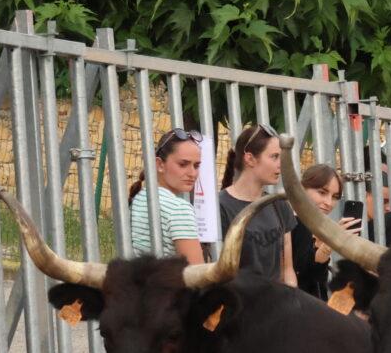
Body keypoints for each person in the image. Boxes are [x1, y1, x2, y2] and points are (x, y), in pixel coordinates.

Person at [218, 124, 298, 286]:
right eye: (274, 157)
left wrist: (293, 303)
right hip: (239, 304)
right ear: (250, 159)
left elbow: (287, 269)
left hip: (276, 304)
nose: (280, 164)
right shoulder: (221, 206)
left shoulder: (279, 205)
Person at [126, 128, 205, 264]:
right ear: (160, 164)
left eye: (196, 166)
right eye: (183, 164)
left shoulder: (139, 198)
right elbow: (197, 272)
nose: (192, 173)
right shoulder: (179, 208)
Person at [290, 163, 362, 302]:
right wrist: (329, 242)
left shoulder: (314, 226)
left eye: (335, 196)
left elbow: (316, 277)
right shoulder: (295, 223)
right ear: (302, 189)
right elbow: (302, 275)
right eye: (322, 193)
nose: (329, 202)